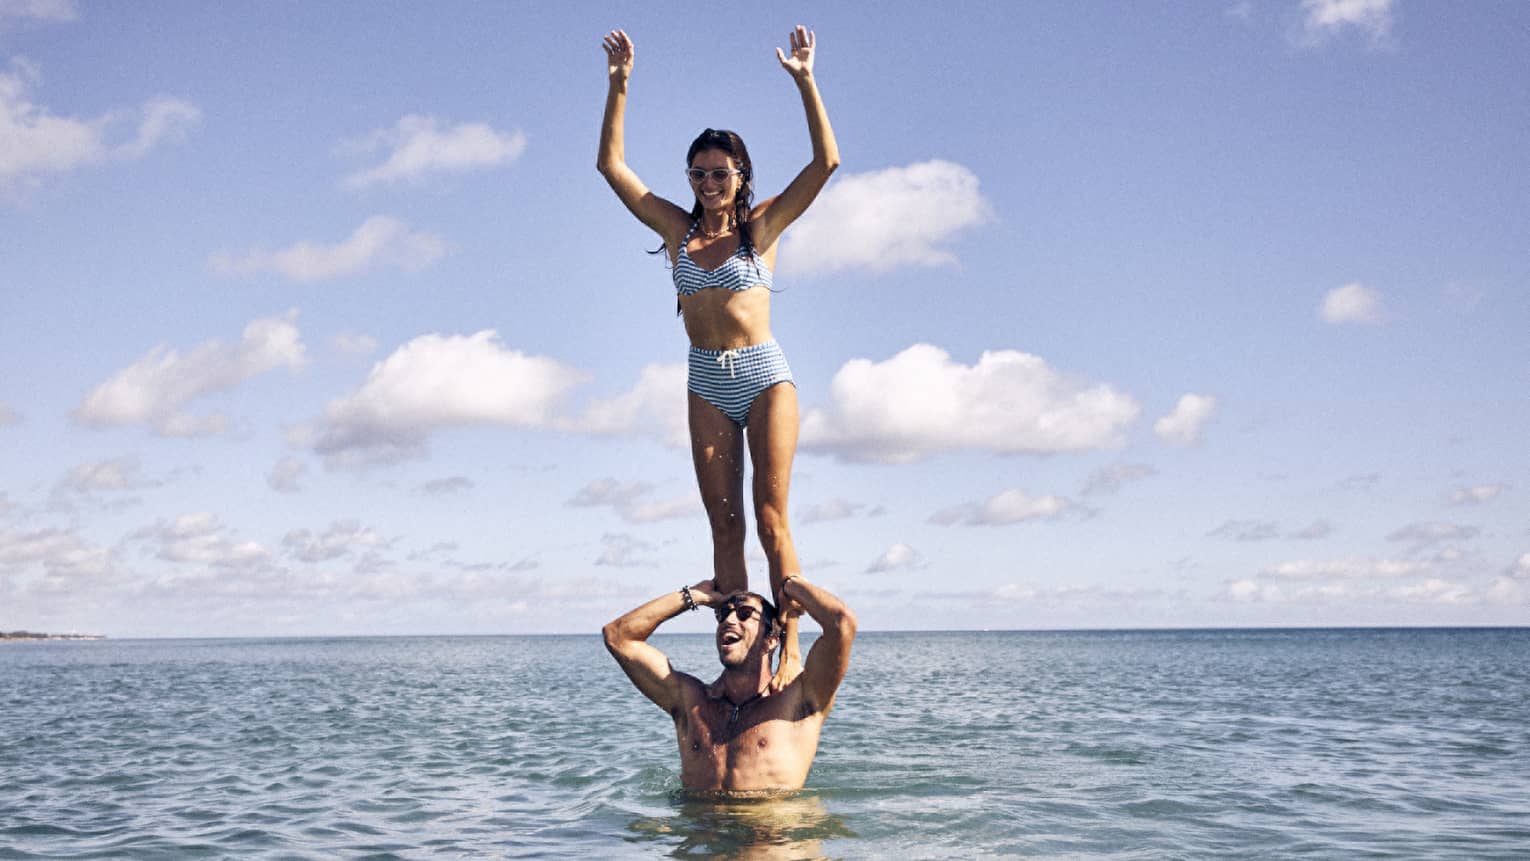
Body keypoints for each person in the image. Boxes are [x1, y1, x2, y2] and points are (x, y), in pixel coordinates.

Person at [597, 25, 840, 690]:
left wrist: (805, 81)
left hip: (764, 374)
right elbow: (611, 168)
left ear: (741, 178)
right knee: (724, 523)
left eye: (720, 173)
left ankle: (786, 644)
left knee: (768, 514)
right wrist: (619, 87)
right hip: (704, 379)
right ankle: (739, 649)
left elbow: (825, 164)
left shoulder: (760, 231)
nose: (708, 182)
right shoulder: (677, 232)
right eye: (698, 173)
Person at [603, 576, 855, 793]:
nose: (729, 620)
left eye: (744, 614)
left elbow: (841, 624)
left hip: (772, 844)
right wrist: (694, 596)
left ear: (771, 640)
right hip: (703, 844)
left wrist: (789, 586)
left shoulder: (798, 700)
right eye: (724, 614)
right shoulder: (691, 702)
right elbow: (618, 636)